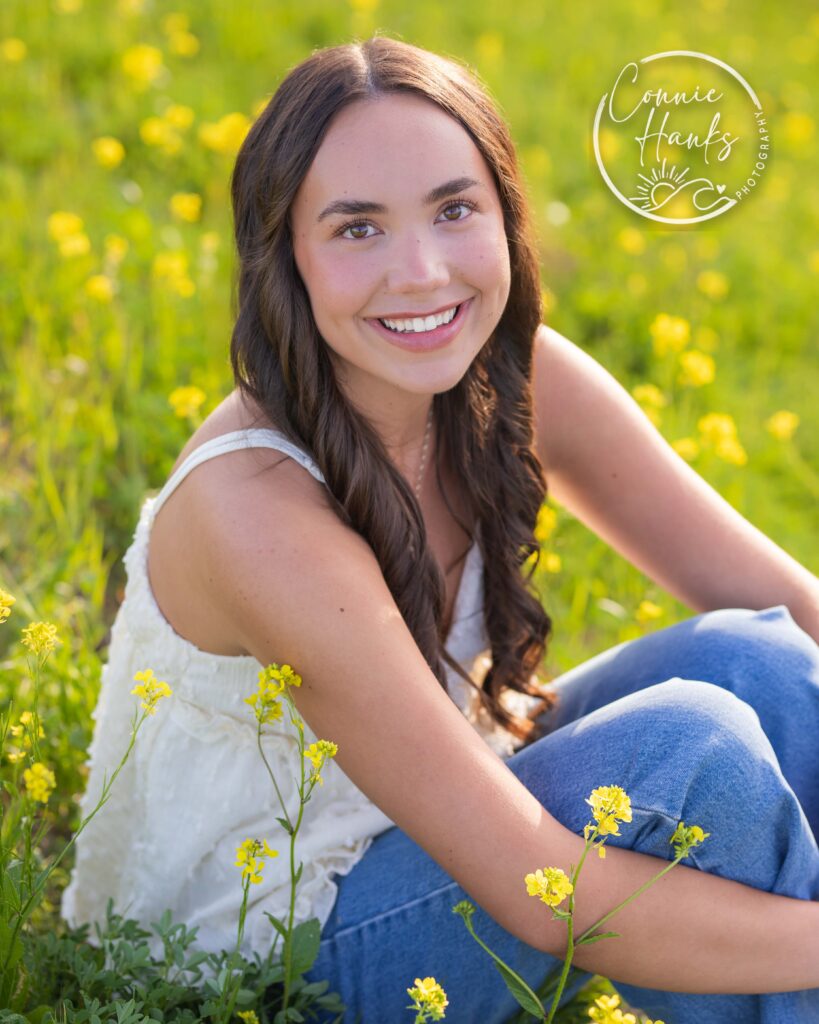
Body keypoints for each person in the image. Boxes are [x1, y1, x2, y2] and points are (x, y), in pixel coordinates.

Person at [61, 34, 819, 1023]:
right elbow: (541, 892)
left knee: (761, 656)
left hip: (436, 826)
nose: (422, 273)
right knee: (692, 754)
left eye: (454, 210)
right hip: (270, 952)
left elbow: (793, 605)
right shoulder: (257, 511)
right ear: (282, 254)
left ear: (504, 216)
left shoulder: (512, 375)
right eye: (357, 229)